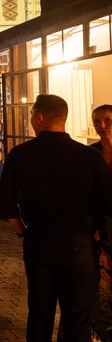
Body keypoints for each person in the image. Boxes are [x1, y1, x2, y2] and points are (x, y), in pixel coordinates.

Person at [0, 95, 112, 342]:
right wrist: (101, 242)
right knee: (77, 318)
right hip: (79, 246)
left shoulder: (20, 155)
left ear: (40, 117)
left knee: (40, 313)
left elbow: (6, 205)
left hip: (39, 242)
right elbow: (107, 205)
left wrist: (22, 231)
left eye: (31, 116)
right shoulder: (90, 157)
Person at [90, 104, 112, 340]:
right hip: (99, 230)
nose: (102, 126)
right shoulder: (91, 153)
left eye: (107, 120)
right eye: (97, 121)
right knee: (100, 288)